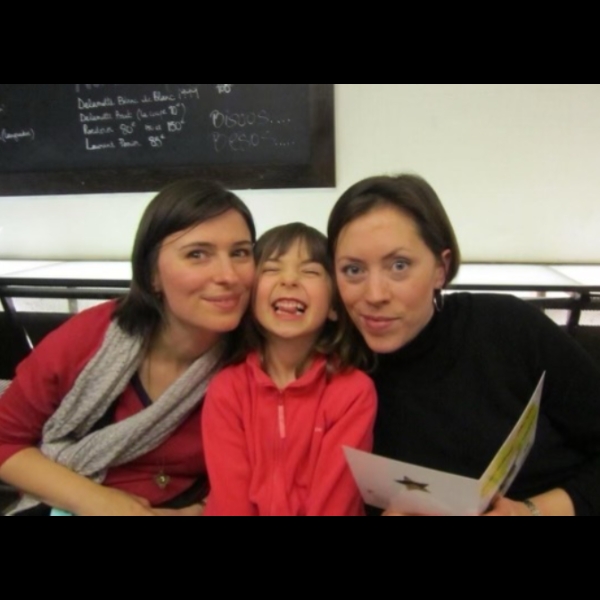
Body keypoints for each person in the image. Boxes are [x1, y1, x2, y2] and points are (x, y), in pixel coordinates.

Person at [328, 174, 600, 517]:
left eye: (399, 266)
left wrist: (531, 511)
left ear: (440, 269)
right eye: (353, 270)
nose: (375, 295)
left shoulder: (508, 327)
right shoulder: (334, 370)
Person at [0, 179, 256, 516]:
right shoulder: (90, 337)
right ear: (152, 275)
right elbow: (5, 440)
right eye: (197, 254)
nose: (229, 275)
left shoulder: (260, 361)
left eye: (240, 253)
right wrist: (98, 502)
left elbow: (275, 474)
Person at [202, 223, 377, 517]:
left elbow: (335, 504)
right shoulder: (227, 389)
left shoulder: (353, 392)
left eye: (310, 272)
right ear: (251, 298)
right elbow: (231, 501)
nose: (289, 280)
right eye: (272, 269)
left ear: (334, 306)